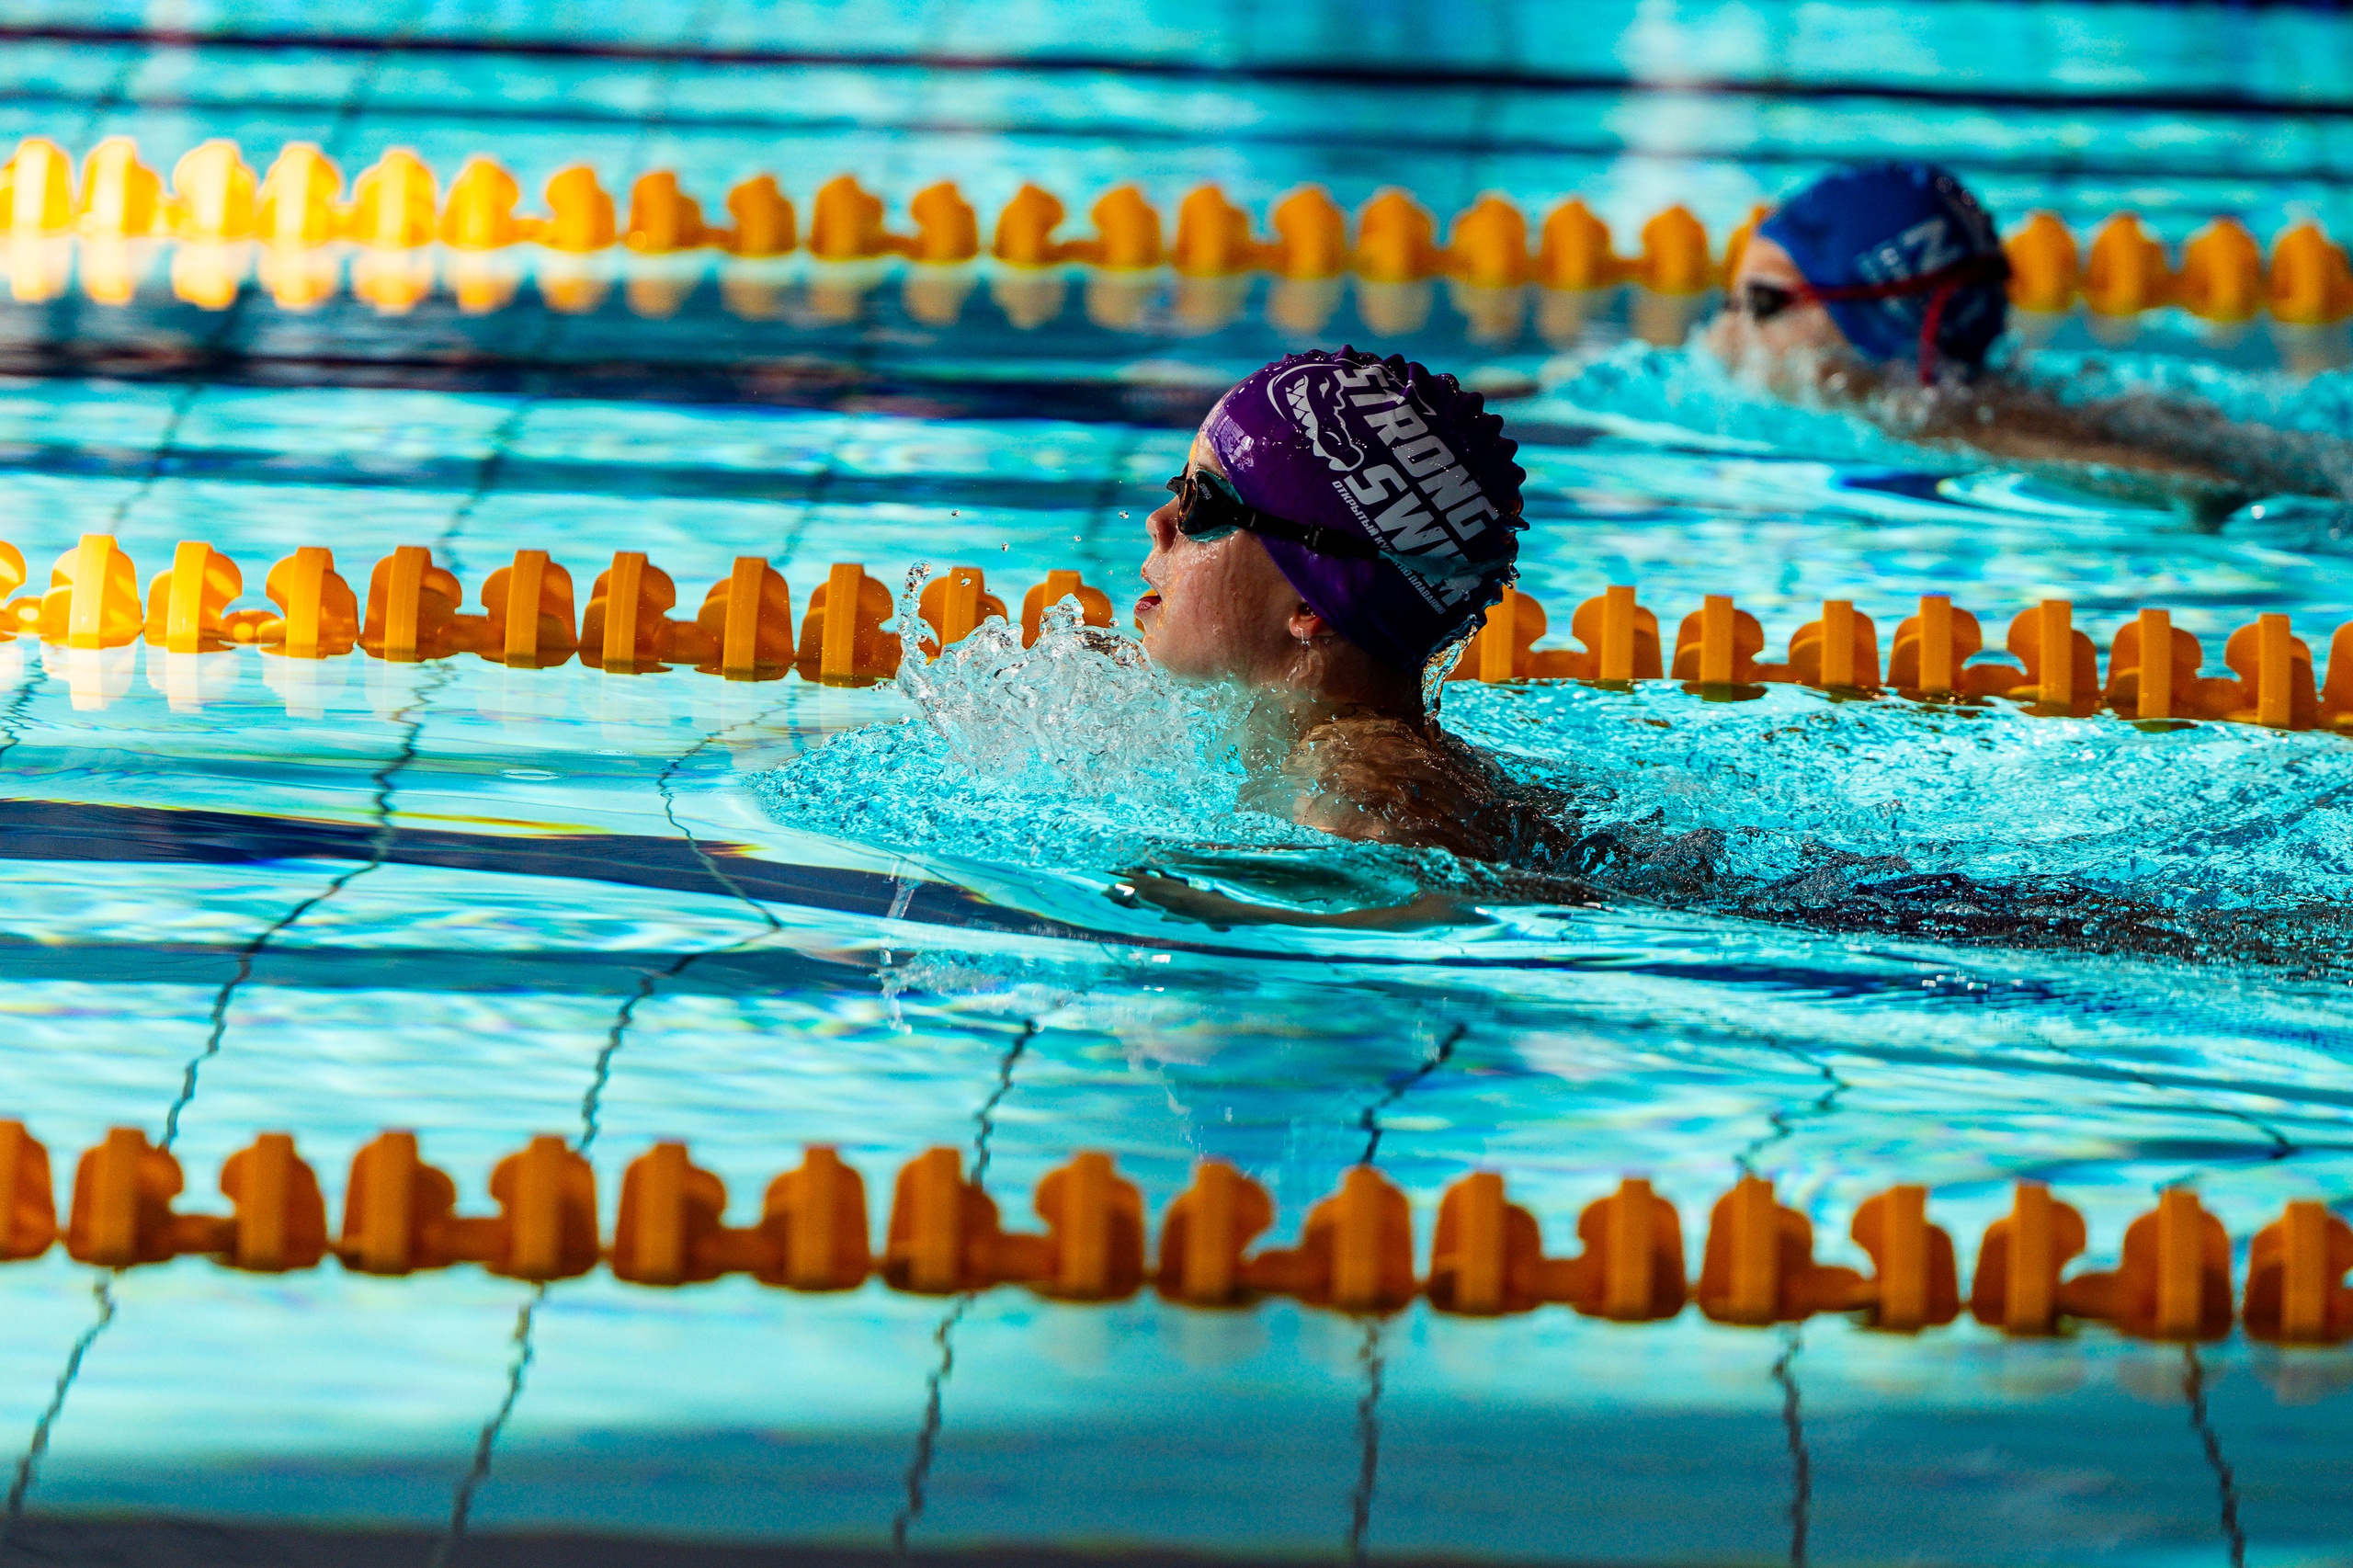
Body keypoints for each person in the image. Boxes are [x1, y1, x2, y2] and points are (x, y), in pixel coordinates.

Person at [1131, 347, 1572, 862]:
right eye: (1177, 485)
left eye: (1201, 501)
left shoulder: (1358, 807)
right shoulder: (1348, 761)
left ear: (1309, 603)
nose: (1158, 523)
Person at [1705, 161, 2346, 511]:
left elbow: (2204, 486)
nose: (1724, 330)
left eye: (1761, 301)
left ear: (1880, 321)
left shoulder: (1946, 427)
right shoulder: (1996, 406)